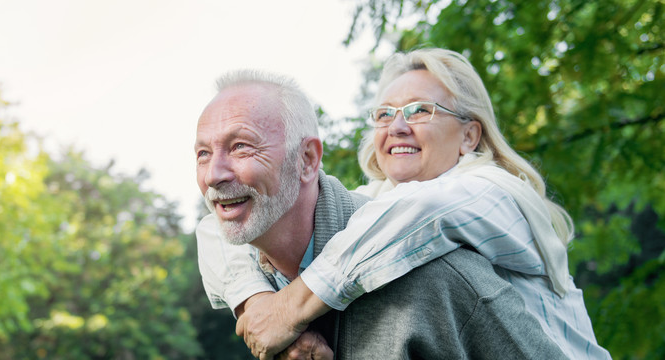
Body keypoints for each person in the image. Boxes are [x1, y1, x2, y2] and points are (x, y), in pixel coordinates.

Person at [208, 48, 612, 359]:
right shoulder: (377, 202)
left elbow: (423, 214)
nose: (397, 126)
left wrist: (290, 311)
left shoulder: (497, 193)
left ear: (470, 136)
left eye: (420, 110)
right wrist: (256, 304)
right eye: (384, 114)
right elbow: (216, 226)